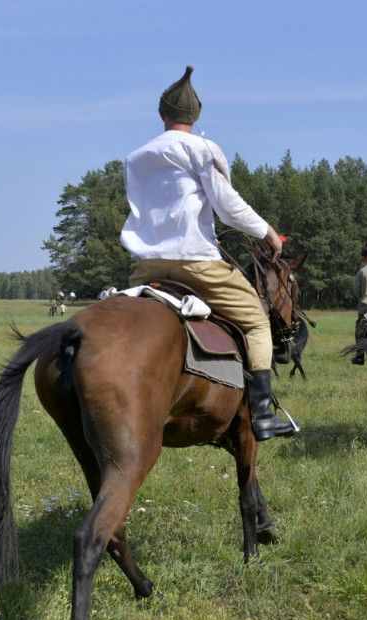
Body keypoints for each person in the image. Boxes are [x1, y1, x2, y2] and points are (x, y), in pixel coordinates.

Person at [120, 65, 296, 441]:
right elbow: (227, 206)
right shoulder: (202, 148)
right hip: (196, 263)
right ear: (195, 115)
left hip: (145, 268)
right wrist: (267, 233)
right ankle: (262, 414)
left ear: (161, 114)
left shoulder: (135, 158)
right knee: (255, 321)